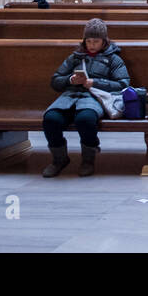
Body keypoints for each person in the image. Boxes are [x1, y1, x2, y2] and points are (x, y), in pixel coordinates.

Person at [42, 19, 130, 177]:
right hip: (69, 98)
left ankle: (88, 160)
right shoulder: (75, 57)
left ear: (104, 41)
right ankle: (59, 159)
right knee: (51, 119)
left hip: (94, 98)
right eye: (88, 41)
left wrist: (95, 83)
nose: (92, 45)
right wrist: (70, 80)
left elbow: (123, 84)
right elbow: (55, 81)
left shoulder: (113, 59)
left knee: (85, 119)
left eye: (96, 41)